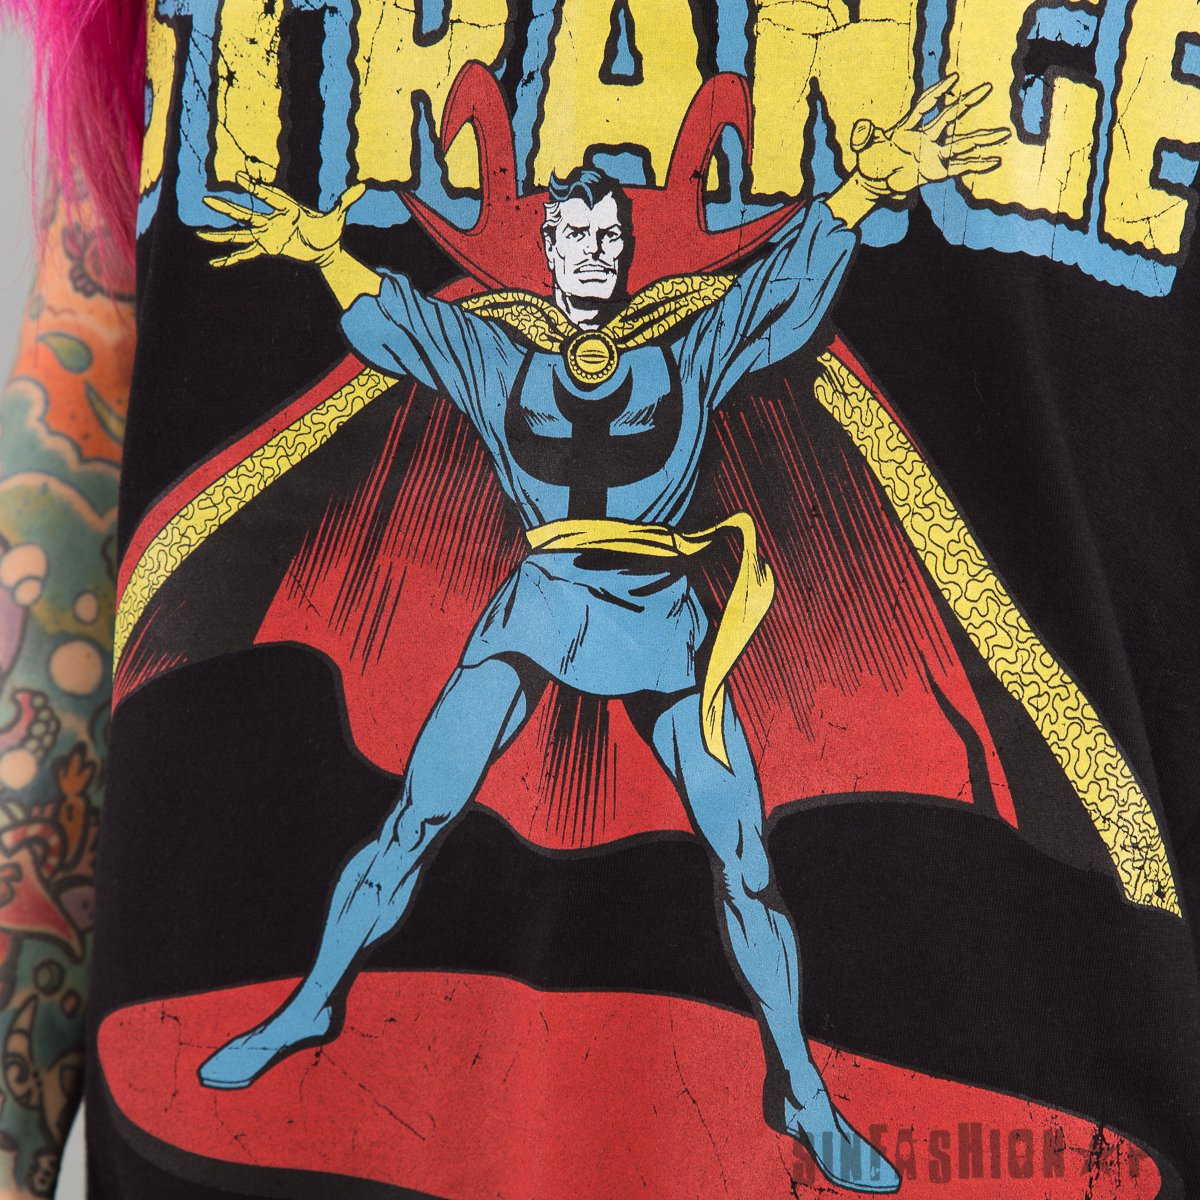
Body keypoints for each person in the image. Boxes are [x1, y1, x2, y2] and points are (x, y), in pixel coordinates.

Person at [3, 2, 1200, 1199]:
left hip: (669, 633)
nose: (584, 251)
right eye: (568, 233)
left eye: (600, 234)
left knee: (744, 863)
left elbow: (779, 295)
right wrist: (318, 248)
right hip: (535, 617)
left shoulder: (688, 358)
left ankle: (801, 1085)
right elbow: (102, 432)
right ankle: (312, 1005)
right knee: (413, 819)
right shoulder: (498, 361)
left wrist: (856, 194)